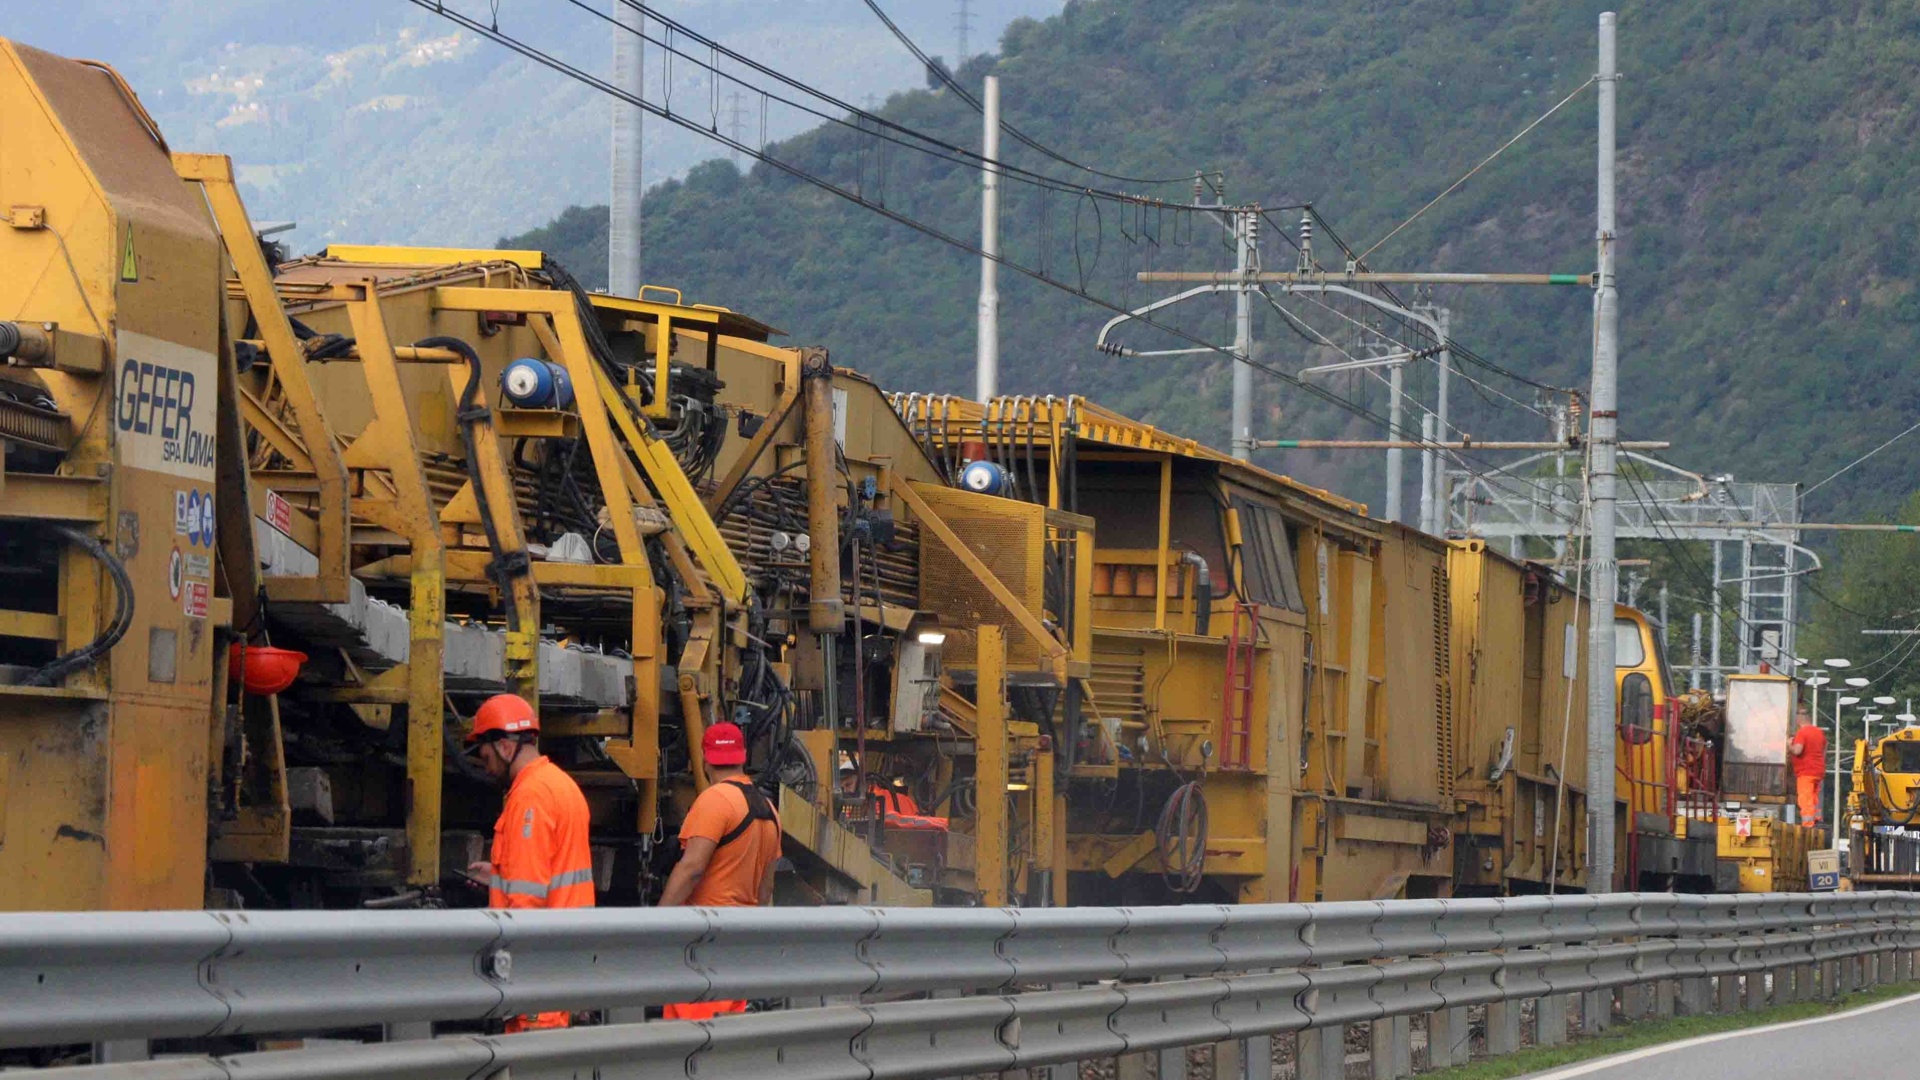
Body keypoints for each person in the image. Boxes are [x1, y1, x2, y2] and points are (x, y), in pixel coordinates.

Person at [463, 693, 594, 1032]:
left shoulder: (529, 796)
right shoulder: (561, 785)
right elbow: (550, 871)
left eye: (485, 753)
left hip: (535, 965)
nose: (484, 763)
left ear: (506, 746)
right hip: (562, 955)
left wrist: (510, 975)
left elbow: (527, 898)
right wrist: (498, 877)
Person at [658, 721, 781, 1020]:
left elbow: (692, 869)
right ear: (742, 757)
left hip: (705, 938)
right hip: (740, 940)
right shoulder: (769, 810)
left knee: (691, 1038)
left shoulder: (714, 801)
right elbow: (765, 891)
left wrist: (658, 919)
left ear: (704, 759)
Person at [1788, 703, 1828, 825]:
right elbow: (1825, 748)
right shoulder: (1819, 732)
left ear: (1799, 719)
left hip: (1806, 772)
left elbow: (1797, 750)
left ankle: (1808, 825)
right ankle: (1817, 820)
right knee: (1814, 797)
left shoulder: (1802, 732)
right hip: (1818, 771)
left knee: (1805, 799)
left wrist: (1789, 744)